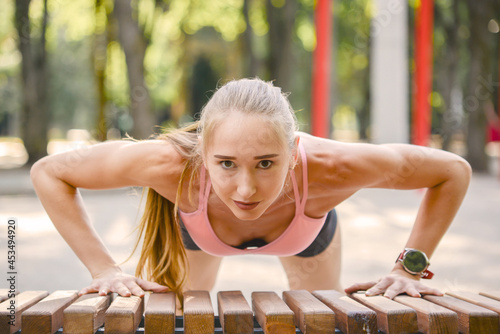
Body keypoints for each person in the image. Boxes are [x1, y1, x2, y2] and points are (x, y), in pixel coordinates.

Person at [31, 78, 471, 302]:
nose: (245, 189)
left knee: (320, 321)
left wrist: (408, 268)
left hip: (306, 230)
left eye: (266, 163)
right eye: (226, 164)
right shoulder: (169, 165)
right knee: (184, 322)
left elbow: (451, 171)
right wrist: (104, 269)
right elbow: (50, 173)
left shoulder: (332, 169)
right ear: (203, 154)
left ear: (294, 152)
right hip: (196, 227)